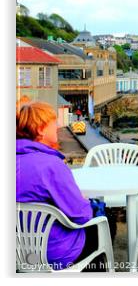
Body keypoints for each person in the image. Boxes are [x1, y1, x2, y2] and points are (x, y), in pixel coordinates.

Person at [16, 100, 102, 271]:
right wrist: (87, 203)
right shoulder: (50, 166)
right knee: (103, 225)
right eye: (53, 122)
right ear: (40, 129)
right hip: (53, 253)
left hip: (14, 253)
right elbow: (82, 215)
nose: (57, 126)